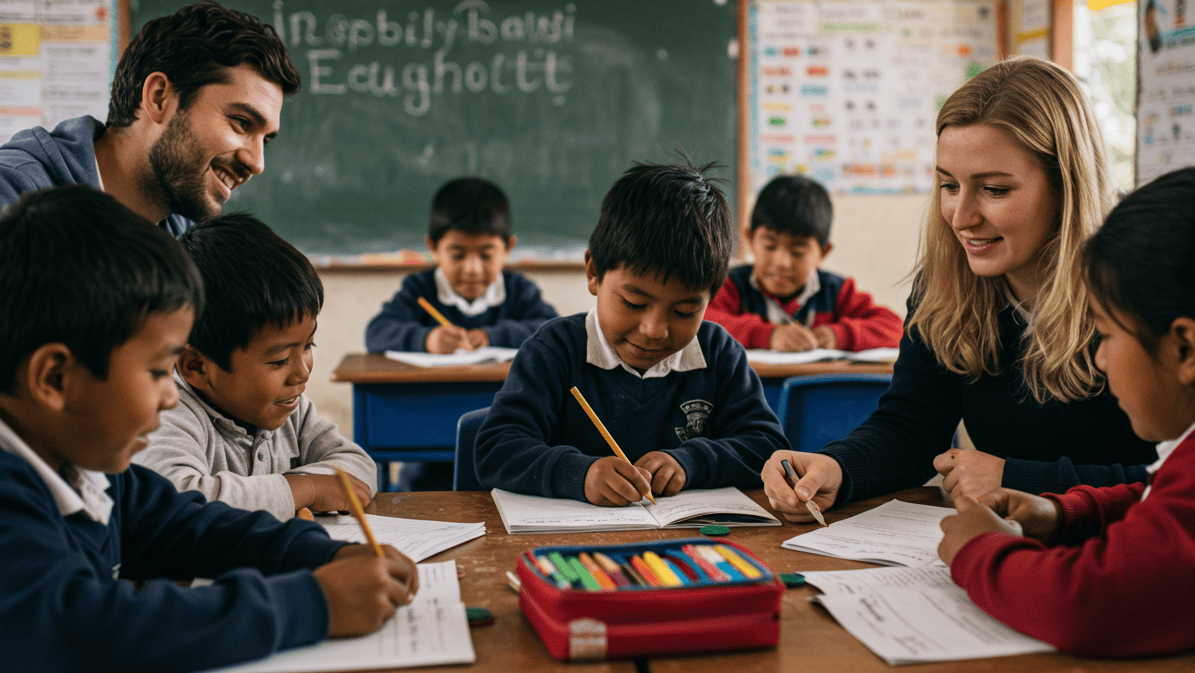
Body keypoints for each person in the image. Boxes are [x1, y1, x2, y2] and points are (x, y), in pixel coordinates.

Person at [0, 186, 417, 673]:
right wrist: (314, 603)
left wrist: (323, 555)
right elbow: (90, 634)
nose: (170, 395)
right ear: (55, 379)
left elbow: (188, 523)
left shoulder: (77, 456)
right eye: (159, 371)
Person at [936, 166, 1195, 672]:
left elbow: (1087, 605)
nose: (1100, 360)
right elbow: (1174, 505)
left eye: (1104, 334)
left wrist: (979, 551)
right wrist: (1062, 514)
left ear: (1187, 348)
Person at [763, 57, 1156, 516]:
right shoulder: (947, 284)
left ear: (1066, 185)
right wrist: (837, 467)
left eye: (994, 190)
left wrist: (1017, 478)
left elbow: (1183, 476)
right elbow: (911, 428)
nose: (962, 218)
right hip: (1005, 549)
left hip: (1129, 549)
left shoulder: (1140, 289)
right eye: (949, 186)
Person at [0, 0, 300, 421]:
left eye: (265, 139)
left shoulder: (181, 238)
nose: (256, 162)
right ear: (158, 96)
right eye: (240, 123)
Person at [474, 161, 790, 504]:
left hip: (684, 542)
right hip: (573, 543)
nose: (654, 330)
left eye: (685, 311)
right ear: (594, 273)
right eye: (634, 302)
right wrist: (580, 474)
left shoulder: (718, 353)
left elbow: (767, 446)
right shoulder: (555, 350)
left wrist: (690, 462)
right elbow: (497, 449)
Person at [135, 213, 378, 521]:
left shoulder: (292, 410)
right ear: (197, 366)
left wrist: (309, 487)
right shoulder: (166, 417)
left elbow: (358, 466)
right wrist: (303, 490)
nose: (302, 372)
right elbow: (178, 504)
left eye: (308, 346)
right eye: (279, 360)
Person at [704, 174, 903, 352]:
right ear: (750, 240)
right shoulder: (731, 286)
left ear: (823, 253)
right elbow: (700, 324)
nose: (782, 262)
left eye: (798, 251)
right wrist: (766, 335)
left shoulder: (837, 292)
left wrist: (837, 335)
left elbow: (895, 328)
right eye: (770, 246)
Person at [365, 177, 558, 354]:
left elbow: (552, 332)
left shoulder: (518, 290)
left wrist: (493, 337)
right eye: (458, 255)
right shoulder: (419, 290)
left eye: (485, 255)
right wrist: (427, 340)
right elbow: (377, 332)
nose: (472, 269)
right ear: (433, 247)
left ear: (508, 248)